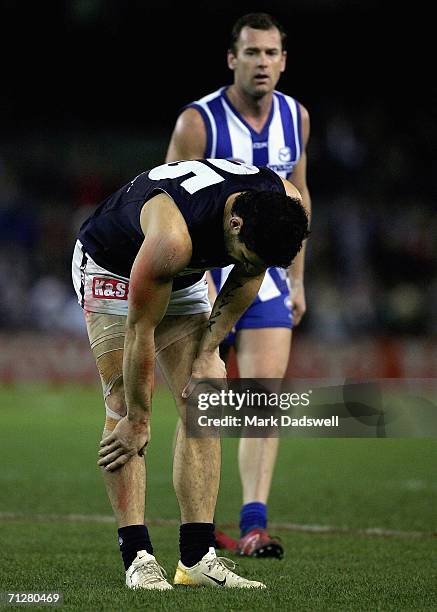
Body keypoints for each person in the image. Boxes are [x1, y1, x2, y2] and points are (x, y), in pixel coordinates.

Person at [71, 158, 309, 589]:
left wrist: (209, 347)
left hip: (182, 275)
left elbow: (250, 273)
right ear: (235, 223)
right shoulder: (172, 236)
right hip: (115, 267)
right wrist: (140, 420)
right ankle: (137, 556)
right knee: (124, 406)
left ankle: (197, 558)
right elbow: (140, 329)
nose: (251, 264)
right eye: (245, 255)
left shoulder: (282, 204)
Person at [165, 13, 312, 558]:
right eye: (252, 53)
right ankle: (199, 530)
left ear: (283, 60)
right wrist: (186, 280)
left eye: (271, 53)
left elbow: (299, 193)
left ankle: (254, 525)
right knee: (203, 405)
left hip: (267, 278)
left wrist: (296, 277)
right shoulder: (197, 122)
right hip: (204, 278)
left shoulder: (295, 116)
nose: (262, 63)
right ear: (232, 58)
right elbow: (168, 199)